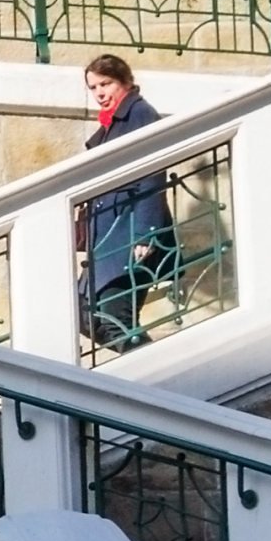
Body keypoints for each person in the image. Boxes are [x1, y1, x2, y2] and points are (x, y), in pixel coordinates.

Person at [75, 53, 176, 353]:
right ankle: (147, 370)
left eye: (105, 84)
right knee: (84, 313)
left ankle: (153, 376)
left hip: (130, 231)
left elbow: (152, 174)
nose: (99, 93)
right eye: (93, 88)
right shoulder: (112, 124)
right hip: (108, 235)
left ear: (125, 82)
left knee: (113, 315)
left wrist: (146, 233)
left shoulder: (139, 114)